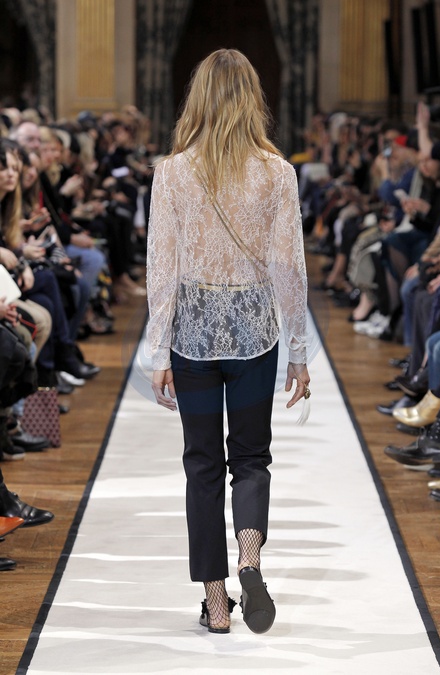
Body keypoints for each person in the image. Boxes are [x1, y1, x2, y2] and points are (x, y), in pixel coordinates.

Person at [146, 49, 310, 635]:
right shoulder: (277, 173)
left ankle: (217, 603)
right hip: (255, 334)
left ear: (199, 99)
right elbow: (289, 266)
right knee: (251, 457)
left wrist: (157, 350)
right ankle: (249, 559)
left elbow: (162, 268)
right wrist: (298, 349)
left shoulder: (172, 172)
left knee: (202, 464)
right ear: (252, 100)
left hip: (192, 335)